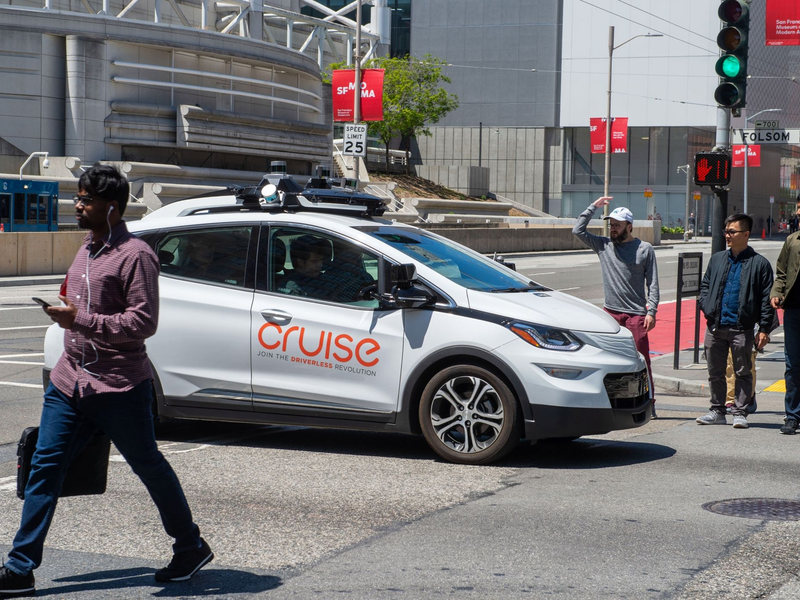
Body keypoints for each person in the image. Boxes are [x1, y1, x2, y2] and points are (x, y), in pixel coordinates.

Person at [0, 164, 213, 597]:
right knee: (45, 468)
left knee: (148, 465)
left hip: (118, 386)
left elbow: (143, 321)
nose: (77, 205)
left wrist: (81, 319)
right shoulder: (86, 246)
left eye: (86, 200)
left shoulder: (136, 255)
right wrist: (66, 310)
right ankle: (20, 568)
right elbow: (79, 299)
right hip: (70, 382)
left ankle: (190, 547)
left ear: (111, 208)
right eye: (78, 197)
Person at [573, 197, 660, 416]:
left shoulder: (644, 249)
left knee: (642, 362)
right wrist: (593, 207)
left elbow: (653, 283)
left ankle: (650, 403)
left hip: (636, 316)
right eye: (611, 225)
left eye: (617, 225)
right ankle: (617, 403)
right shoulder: (603, 245)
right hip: (610, 314)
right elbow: (578, 230)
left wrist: (652, 312)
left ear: (629, 227)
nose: (613, 229)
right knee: (610, 363)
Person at [697, 213, 774, 429]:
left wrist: (765, 328)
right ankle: (717, 410)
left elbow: (767, 299)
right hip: (715, 325)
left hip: (743, 327)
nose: (727, 235)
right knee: (715, 371)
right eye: (726, 231)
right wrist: (707, 307)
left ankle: (740, 412)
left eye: (732, 231)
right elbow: (705, 286)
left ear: (746, 234)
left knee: (743, 371)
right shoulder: (717, 259)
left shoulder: (759, 264)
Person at [771, 197, 800, 434]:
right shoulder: (792, 240)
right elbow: (781, 271)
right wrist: (777, 292)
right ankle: (792, 415)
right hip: (794, 311)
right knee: (792, 365)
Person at [278, 234, 330, 298]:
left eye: (321, 260)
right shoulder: (291, 285)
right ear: (300, 262)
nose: (320, 264)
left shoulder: (324, 278)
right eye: (314, 261)